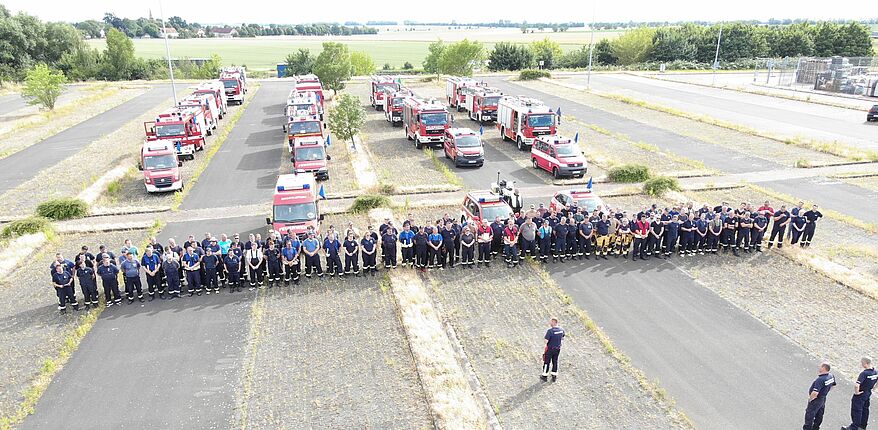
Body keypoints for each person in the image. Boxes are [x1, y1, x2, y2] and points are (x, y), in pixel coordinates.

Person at [845, 356, 878, 430]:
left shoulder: (864, 373)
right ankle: (863, 426)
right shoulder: (876, 372)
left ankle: (854, 426)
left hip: (861, 393)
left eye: (862, 363)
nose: (861, 364)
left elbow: (857, 385)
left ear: (865, 363)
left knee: (857, 410)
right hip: (868, 392)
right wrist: (874, 388)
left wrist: (857, 392)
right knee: (865, 409)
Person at [803, 362, 836, 430]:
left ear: (824, 368)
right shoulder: (831, 376)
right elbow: (833, 385)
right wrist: (825, 391)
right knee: (819, 414)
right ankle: (816, 427)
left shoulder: (820, 379)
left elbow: (815, 392)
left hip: (816, 399)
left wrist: (810, 399)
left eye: (820, 366)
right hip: (823, 398)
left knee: (810, 415)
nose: (819, 367)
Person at [541, 317, 565, 382]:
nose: (550, 323)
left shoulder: (550, 331)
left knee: (546, 362)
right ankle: (554, 375)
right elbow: (562, 338)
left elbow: (546, 341)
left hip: (550, 349)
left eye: (551, 322)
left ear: (554, 322)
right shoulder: (561, 330)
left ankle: (544, 375)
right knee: (555, 361)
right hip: (557, 349)